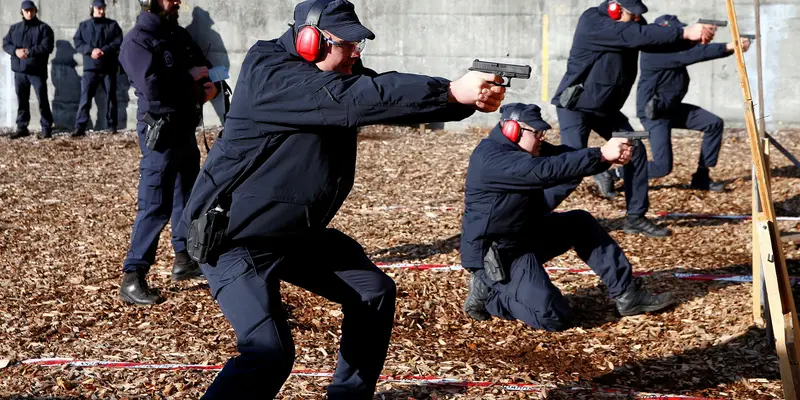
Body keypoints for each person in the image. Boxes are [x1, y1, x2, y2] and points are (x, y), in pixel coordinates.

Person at [180, 0, 505, 397]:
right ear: (308, 41)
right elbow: (350, 99)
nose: (355, 52)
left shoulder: (332, 74)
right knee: (268, 353)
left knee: (373, 293)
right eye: (347, 44)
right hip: (234, 235)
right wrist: (451, 89)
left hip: (292, 232)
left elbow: (382, 94)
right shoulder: (271, 75)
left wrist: (460, 101)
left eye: (358, 45)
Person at [460, 103, 676, 331]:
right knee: (553, 317)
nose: (542, 138)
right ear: (513, 130)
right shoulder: (492, 160)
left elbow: (564, 157)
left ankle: (627, 295)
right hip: (498, 256)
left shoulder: (522, 148)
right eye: (537, 133)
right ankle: (490, 294)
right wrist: (602, 154)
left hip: (524, 235)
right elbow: (546, 170)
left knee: (580, 223)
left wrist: (605, 157)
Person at [551, 0, 716, 237]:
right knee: (571, 168)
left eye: (640, 15)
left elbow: (652, 40)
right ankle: (530, 214)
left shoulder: (632, 25)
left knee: (635, 150)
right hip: (576, 106)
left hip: (606, 110)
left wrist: (690, 37)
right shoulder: (593, 21)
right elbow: (633, 35)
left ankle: (635, 217)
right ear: (614, 8)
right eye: (632, 14)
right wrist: (684, 32)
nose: (638, 18)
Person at [117, 0, 220, 305]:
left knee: (187, 195)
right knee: (155, 203)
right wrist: (192, 81)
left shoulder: (177, 34)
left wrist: (210, 82)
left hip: (184, 127)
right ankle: (133, 276)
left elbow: (203, 65)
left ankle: (185, 259)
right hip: (160, 132)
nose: (176, 1)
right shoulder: (137, 42)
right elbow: (153, 88)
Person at [638, 14, 751, 192]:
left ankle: (701, 177)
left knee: (713, 123)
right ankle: (615, 175)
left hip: (671, 108)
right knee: (662, 167)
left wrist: (706, 34)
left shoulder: (672, 49)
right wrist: (731, 46)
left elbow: (691, 49)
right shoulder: (653, 52)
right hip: (654, 112)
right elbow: (692, 54)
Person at [3, 1, 54, 139]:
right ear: (22, 12)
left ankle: (46, 127)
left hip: (37, 71)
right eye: (26, 11)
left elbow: (47, 46)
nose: (29, 13)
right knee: (22, 100)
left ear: (35, 11)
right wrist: (15, 51)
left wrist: (28, 51)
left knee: (42, 100)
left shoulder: (44, 28)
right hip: (20, 71)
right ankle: (22, 127)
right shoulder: (15, 29)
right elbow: (6, 44)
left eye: (31, 10)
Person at [72, 0, 123, 137]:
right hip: (90, 68)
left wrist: (103, 50)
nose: (100, 10)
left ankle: (112, 126)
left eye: (102, 8)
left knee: (111, 98)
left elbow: (118, 41)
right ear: (92, 9)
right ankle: (80, 127)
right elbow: (78, 42)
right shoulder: (84, 26)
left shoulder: (112, 25)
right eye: (98, 8)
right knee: (85, 99)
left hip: (108, 68)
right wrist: (91, 50)